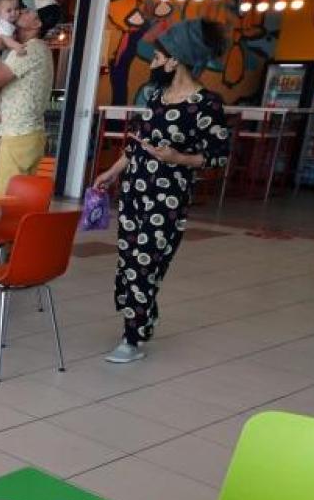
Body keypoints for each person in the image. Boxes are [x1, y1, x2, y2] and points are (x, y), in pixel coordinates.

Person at [92, 18, 229, 364]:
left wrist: (178, 157)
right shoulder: (156, 97)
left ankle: (132, 338)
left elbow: (217, 157)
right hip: (134, 194)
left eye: (157, 57)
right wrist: (110, 172)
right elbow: (139, 144)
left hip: (166, 200)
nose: (152, 63)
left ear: (175, 60)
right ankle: (140, 321)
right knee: (129, 262)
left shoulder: (205, 105)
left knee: (145, 264)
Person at [0, 0, 60, 196]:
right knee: (21, 201)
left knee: (6, 200)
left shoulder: (29, 50)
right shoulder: (39, 49)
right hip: (27, 135)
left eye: (29, 11)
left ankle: (13, 229)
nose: (21, 10)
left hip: (18, 136)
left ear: (37, 23)